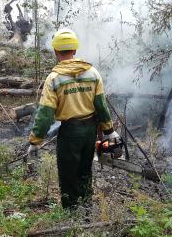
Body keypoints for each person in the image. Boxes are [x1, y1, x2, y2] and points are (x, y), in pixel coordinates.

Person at [27, 29, 120, 209]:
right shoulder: (93, 73)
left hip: (70, 132)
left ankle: (71, 212)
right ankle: (86, 206)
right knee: (85, 169)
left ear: (55, 51)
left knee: (68, 173)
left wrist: (35, 141)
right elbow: (101, 106)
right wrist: (109, 131)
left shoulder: (54, 79)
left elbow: (46, 113)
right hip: (90, 130)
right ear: (75, 50)